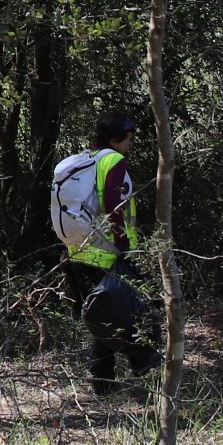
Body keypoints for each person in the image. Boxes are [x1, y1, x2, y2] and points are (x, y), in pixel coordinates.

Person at [52, 112, 155, 394]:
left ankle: (104, 385)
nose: (130, 145)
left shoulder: (84, 160)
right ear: (115, 138)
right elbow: (115, 205)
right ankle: (142, 367)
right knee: (124, 315)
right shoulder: (113, 161)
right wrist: (124, 247)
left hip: (78, 251)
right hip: (108, 253)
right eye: (129, 139)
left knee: (101, 319)